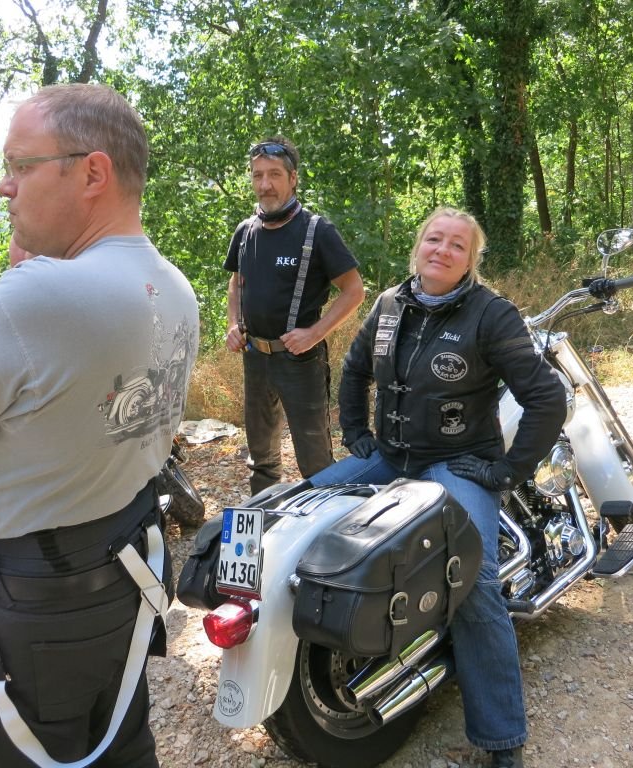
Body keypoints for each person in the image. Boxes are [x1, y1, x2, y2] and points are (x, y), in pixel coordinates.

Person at [0, 83, 199, 768]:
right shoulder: (173, 285)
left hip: (35, 602)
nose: (6, 186)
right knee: (120, 744)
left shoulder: (38, 293)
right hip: (122, 570)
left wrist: (15, 286)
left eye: (20, 165)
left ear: (92, 173)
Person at [309, 207, 567, 768]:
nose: (442, 250)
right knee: (301, 507)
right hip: (388, 458)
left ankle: (502, 739)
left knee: (473, 578)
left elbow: (547, 398)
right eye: (434, 239)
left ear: (471, 260)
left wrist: (505, 472)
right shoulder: (387, 305)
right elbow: (354, 371)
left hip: (457, 465)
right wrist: (356, 434)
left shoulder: (491, 314)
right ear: (418, 246)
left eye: (457, 245)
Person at [224, 136, 364, 495]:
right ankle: (265, 514)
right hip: (255, 357)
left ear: (293, 178)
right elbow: (236, 283)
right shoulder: (245, 232)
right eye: (257, 175)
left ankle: (325, 517)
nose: (265, 185)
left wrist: (315, 333)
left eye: (274, 175)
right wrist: (233, 324)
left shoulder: (317, 231)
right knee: (261, 458)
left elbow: (354, 290)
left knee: (315, 461)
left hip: (300, 361)